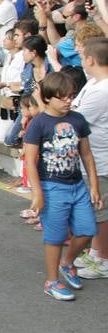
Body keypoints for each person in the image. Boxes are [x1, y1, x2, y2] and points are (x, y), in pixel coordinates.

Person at [24, 72, 103, 300]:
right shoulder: (38, 124)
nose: (68, 101)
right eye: (63, 97)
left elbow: (86, 155)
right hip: (52, 187)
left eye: (71, 96)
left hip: (77, 185)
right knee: (55, 237)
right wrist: (37, 193)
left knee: (88, 230)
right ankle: (52, 281)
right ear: (47, 98)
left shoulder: (78, 120)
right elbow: (30, 160)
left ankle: (67, 262)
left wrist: (94, 186)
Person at [71, 37, 108, 278]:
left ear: (91, 59)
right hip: (92, 159)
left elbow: (76, 119)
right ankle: (96, 253)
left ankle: (103, 259)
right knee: (96, 210)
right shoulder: (94, 83)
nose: (81, 60)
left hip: (101, 160)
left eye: (83, 56)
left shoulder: (102, 90)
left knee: (102, 212)